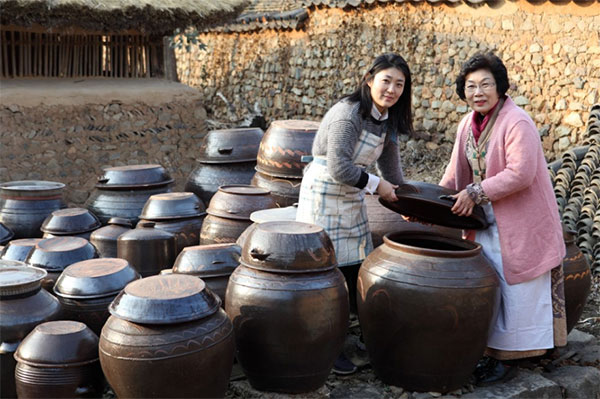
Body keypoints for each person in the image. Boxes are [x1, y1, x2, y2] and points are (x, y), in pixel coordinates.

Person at [439, 52, 567, 385]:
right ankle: (494, 350)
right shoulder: (467, 124)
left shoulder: (517, 121)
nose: (478, 92)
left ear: (500, 87)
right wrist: (429, 202)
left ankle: (512, 358)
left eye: (486, 84)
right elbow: (455, 174)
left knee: (519, 289)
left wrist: (475, 193)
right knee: (492, 283)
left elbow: (521, 173)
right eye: (470, 86)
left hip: (522, 220)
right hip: (485, 220)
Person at [296, 53, 413, 374]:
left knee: (356, 267)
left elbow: (390, 166)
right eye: (386, 80)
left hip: (352, 193)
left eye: (399, 84)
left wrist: (405, 200)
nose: (391, 89)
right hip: (325, 193)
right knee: (326, 273)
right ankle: (326, 349)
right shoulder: (349, 114)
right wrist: (379, 187)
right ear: (369, 79)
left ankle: (355, 340)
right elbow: (338, 167)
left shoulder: (387, 119)